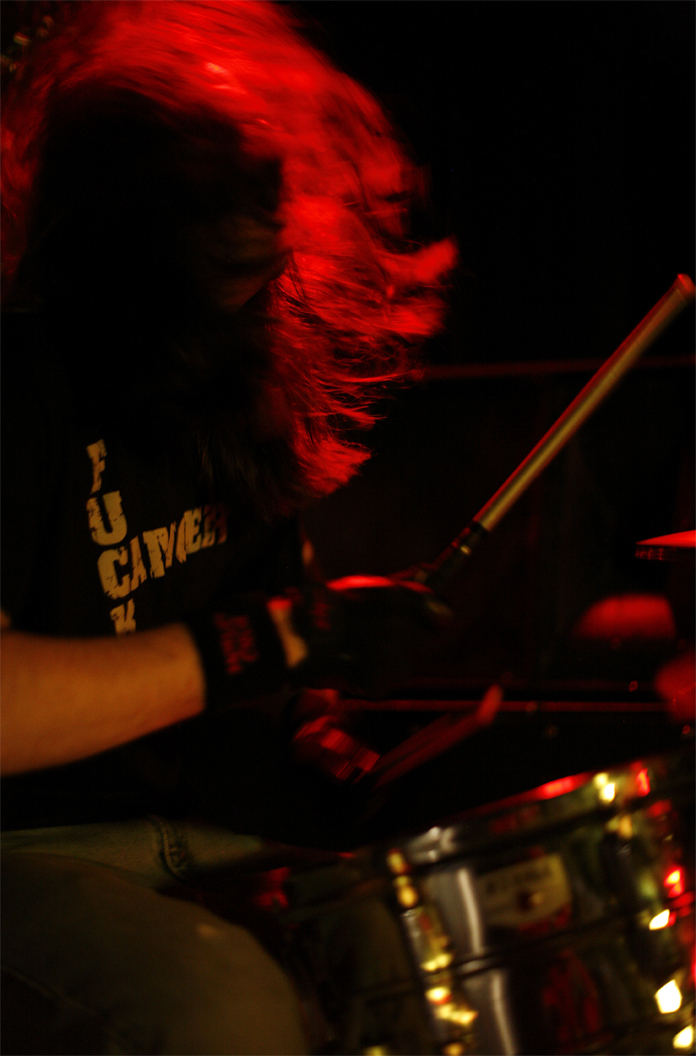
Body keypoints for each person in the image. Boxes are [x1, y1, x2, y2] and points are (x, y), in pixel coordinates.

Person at [1, 2, 457, 1052]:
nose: (273, 217)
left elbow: (266, 661)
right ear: (127, 214)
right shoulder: (18, 386)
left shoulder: (237, 391)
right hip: (25, 849)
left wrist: (318, 724)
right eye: (228, 182)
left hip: (193, 837)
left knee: (422, 949)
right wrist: (275, 640)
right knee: (221, 1002)